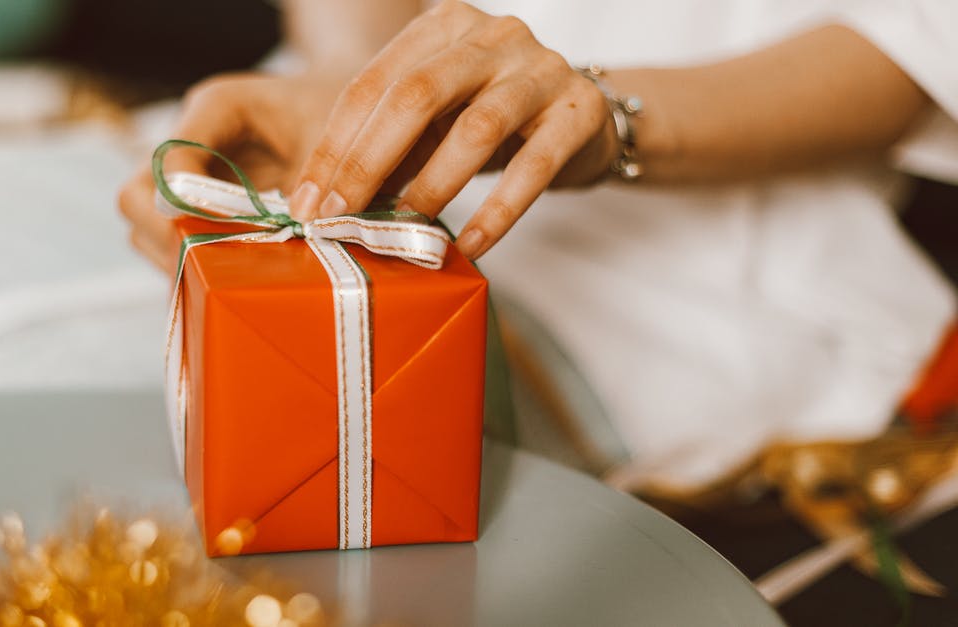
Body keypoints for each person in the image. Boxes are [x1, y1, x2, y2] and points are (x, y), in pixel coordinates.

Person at [118, 0, 958, 492]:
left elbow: (918, 42)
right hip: (298, 130)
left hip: (682, 283)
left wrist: (598, 118)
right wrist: (356, 79)